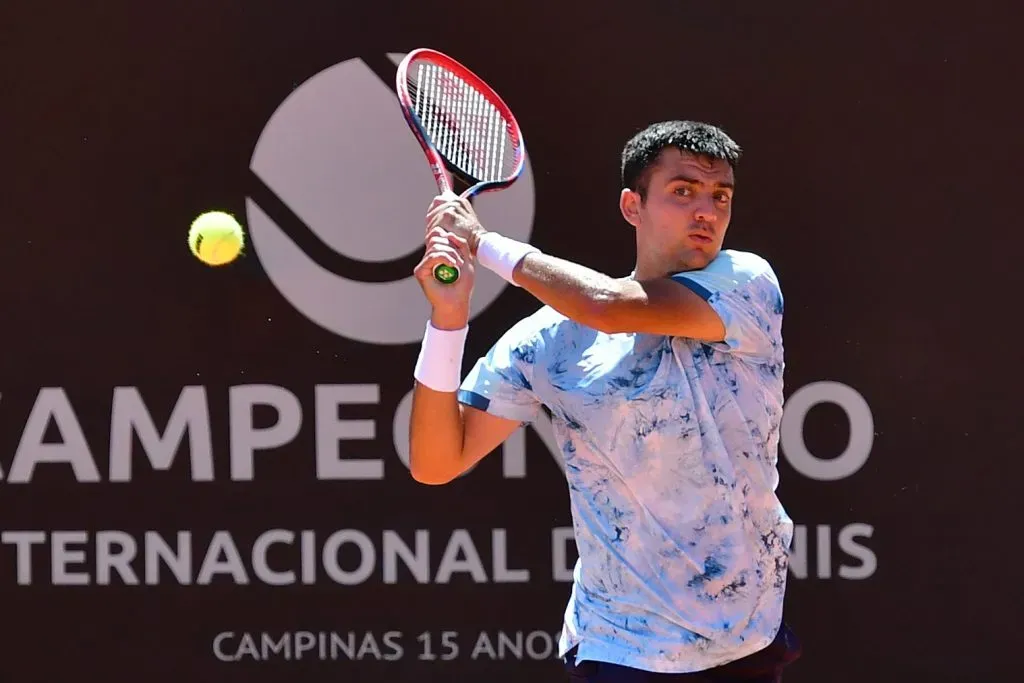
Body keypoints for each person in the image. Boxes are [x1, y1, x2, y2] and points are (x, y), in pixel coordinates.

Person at [408, 120, 801, 681]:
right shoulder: (547, 342)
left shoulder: (747, 283)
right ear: (631, 206)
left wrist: (484, 243)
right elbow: (435, 462)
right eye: (682, 191)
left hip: (744, 641)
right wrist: (448, 321)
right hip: (618, 648)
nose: (706, 212)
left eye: (720, 197)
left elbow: (609, 304)